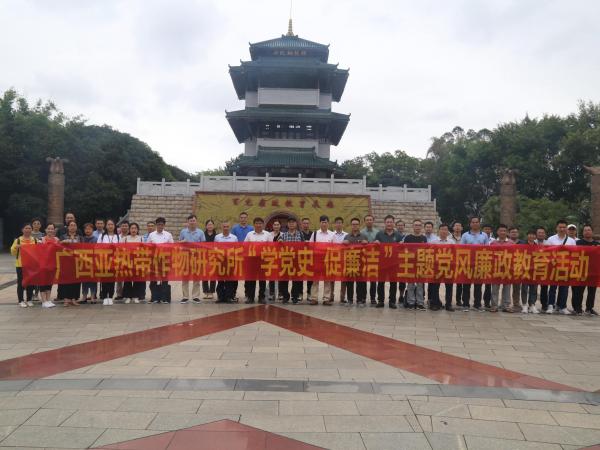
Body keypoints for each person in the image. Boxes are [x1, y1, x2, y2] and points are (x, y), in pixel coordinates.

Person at [545, 219, 576, 314]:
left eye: (564, 227)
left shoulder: (571, 241)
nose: (562, 229)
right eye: (560, 227)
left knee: (564, 288)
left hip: (566, 268)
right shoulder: (551, 239)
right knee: (552, 288)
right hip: (553, 267)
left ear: (566, 229)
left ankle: (562, 306)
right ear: (556, 228)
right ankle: (550, 305)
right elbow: (547, 253)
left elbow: (574, 254)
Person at [460, 217, 490, 311]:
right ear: (470, 224)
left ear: (479, 224)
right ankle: (465, 304)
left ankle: (477, 304)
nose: (475, 224)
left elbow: (488, 249)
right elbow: (461, 249)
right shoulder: (465, 235)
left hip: (480, 263)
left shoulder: (484, 235)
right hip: (467, 264)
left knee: (478, 285)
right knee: (466, 285)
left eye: (477, 222)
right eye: (473, 222)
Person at [374, 215, 402, 309]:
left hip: (394, 263)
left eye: (391, 222)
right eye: (387, 222)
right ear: (384, 223)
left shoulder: (398, 235)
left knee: (393, 283)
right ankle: (381, 301)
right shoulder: (379, 234)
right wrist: (376, 243)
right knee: (380, 282)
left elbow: (401, 249)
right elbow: (374, 247)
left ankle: (392, 301)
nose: (389, 224)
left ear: (393, 223)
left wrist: (401, 244)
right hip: (382, 262)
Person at [179, 214, 206, 304]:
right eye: (190, 221)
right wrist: (182, 242)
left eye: (194, 220)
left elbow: (204, 245)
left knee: (196, 277)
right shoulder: (183, 232)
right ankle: (185, 297)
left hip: (197, 257)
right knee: (185, 277)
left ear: (196, 222)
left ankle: (195, 296)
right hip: (185, 257)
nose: (192, 222)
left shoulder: (200, 232)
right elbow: (179, 243)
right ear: (188, 222)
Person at [572, 224, 598, 315]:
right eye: (585, 230)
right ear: (583, 232)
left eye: (589, 230)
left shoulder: (597, 244)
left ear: (592, 232)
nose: (587, 232)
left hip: (593, 271)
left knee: (592, 291)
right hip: (581, 270)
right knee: (579, 291)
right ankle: (577, 308)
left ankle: (589, 308)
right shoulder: (578, 243)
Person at [244, 217, 272, 304]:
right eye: (257, 223)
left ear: (263, 224)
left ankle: (262, 297)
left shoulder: (267, 234)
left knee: (262, 280)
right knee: (251, 280)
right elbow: (245, 246)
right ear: (254, 225)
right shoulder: (249, 234)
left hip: (263, 260)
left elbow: (271, 247)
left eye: (260, 223)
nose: (258, 225)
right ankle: (250, 297)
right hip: (251, 260)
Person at [309, 215, 335, 306]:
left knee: (327, 280)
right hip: (317, 260)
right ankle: (314, 298)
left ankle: (326, 298)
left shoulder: (332, 234)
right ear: (320, 223)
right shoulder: (315, 234)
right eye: (322, 222)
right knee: (315, 280)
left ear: (328, 223)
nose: (324, 224)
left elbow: (335, 247)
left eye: (325, 222)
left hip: (328, 260)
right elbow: (310, 246)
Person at [147, 217, 174, 304]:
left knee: (164, 279)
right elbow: (147, 247)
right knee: (153, 279)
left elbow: (172, 247)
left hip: (165, 260)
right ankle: (154, 297)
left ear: (164, 225)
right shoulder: (151, 235)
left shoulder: (168, 235)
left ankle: (164, 298)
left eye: (162, 225)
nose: (160, 226)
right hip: (154, 260)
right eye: (158, 224)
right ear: (156, 225)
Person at [11, 223, 38, 308]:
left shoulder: (35, 240)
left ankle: (29, 299)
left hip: (31, 265)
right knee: (21, 283)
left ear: (31, 230)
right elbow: (13, 252)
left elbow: (38, 252)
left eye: (29, 228)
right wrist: (16, 247)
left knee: (30, 282)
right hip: (21, 265)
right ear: (22, 230)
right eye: (26, 228)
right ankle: (21, 300)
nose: (28, 230)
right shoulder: (18, 240)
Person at [343, 218, 369, 307]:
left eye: (356, 224)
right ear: (351, 225)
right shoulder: (347, 236)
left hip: (361, 263)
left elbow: (369, 248)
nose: (355, 226)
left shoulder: (364, 236)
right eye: (353, 224)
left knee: (360, 283)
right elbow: (342, 249)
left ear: (359, 225)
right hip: (350, 262)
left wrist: (367, 243)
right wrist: (343, 243)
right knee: (349, 282)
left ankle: (359, 300)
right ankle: (350, 300)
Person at [430, 223, 455, 311]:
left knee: (449, 286)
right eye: (442, 229)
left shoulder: (451, 242)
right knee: (435, 286)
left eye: (446, 229)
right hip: (437, 267)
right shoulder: (433, 241)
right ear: (439, 231)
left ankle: (448, 304)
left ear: (448, 231)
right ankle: (435, 304)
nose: (444, 231)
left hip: (448, 267)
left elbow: (454, 254)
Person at [404, 220, 428, 309]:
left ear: (421, 227)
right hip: (410, 264)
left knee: (420, 285)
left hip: (421, 264)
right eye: (415, 225)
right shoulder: (408, 238)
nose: (417, 227)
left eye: (419, 225)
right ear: (413, 226)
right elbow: (404, 250)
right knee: (410, 284)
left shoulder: (424, 238)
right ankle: (411, 302)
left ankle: (420, 303)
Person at [279, 218, 304, 304]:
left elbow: (304, 246)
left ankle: (295, 296)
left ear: (296, 224)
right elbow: (278, 246)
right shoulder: (283, 235)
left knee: (296, 280)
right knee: (284, 279)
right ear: (287, 224)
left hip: (297, 260)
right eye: (290, 223)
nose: (291, 224)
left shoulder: (300, 235)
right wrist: (279, 242)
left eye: (293, 222)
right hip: (286, 260)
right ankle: (285, 296)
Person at [58, 221, 82, 307]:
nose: (72, 227)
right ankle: (66, 299)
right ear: (68, 227)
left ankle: (74, 298)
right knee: (66, 280)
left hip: (77, 261)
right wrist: (62, 242)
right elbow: (58, 246)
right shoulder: (63, 236)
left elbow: (84, 247)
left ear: (76, 227)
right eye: (71, 225)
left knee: (76, 281)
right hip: (66, 261)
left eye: (74, 225)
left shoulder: (80, 237)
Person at [490, 224, 512, 313]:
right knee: (495, 289)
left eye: (504, 231)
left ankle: (506, 306)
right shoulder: (493, 243)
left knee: (507, 288)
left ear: (507, 232)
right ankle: (494, 306)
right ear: (497, 232)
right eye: (501, 231)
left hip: (508, 269)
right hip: (496, 268)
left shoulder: (511, 243)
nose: (502, 232)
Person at [215, 220, 238, 303]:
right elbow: (214, 248)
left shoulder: (234, 238)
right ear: (221, 227)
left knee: (230, 280)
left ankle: (229, 297)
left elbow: (236, 249)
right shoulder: (217, 237)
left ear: (230, 227)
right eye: (224, 226)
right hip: (220, 261)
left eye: (227, 226)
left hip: (230, 261)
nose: (225, 228)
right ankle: (220, 297)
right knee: (220, 280)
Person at [98, 219, 120, 305]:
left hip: (114, 261)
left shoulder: (118, 237)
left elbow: (121, 249)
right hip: (104, 261)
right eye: (108, 224)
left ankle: (110, 296)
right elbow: (97, 247)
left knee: (112, 280)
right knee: (104, 280)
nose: (110, 226)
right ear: (106, 226)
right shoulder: (102, 236)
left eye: (112, 224)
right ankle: (104, 297)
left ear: (114, 226)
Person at [122, 222, 145, 304]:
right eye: (132, 228)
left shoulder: (141, 238)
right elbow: (121, 249)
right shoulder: (125, 238)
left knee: (137, 280)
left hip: (138, 261)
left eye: (135, 228)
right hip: (127, 261)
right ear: (129, 229)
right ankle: (128, 296)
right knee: (127, 279)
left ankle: (136, 296)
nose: (133, 230)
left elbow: (144, 250)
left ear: (137, 230)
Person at [361, 214, 379, 306]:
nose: (369, 221)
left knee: (373, 280)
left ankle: (373, 298)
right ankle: (363, 298)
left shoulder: (378, 232)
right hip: (363, 258)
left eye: (370, 220)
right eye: (367, 220)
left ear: (373, 221)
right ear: (364, 221)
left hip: (374, 258)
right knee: (363, 279)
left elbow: (381, 244)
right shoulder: (361, 232)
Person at [521, 230, 540, 314]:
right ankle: (524, 305)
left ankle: (532, 304)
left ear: (535, 236)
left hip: (535, 271)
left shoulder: (538, 246)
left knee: (534, 289)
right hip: (525, 270)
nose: (531, 236)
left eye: (533, 235)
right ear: (527, 235)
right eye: (530, 234)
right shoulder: (522, 245)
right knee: (524, 288)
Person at [39, 223, 58, 308]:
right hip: (43, 264)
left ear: (54, 230)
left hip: (53, 264)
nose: (50, 230)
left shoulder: (57, 240)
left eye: (52, 229)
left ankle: (48, 299)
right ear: (45, 230)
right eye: (49, 228)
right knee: (43, 281)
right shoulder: (41, 239)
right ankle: (43, 301)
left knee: (50, 282)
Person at [508, 226, 525, 312]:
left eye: (516, 232)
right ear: (509, 233)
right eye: (512, 232)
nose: (514, 233)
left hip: (518, 267)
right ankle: (505, 303)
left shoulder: (523, 243)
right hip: (507, 267)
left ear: (518, 233)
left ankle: (516, 304)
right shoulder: (506, 242)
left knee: (517, 288)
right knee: (506, 287)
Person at [81, 223, 98, 303]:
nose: (87, 230)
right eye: (86, 229)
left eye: (89, 229)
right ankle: (84, 296)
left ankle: (92, 297)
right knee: (84, 280)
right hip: (83, 262)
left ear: (92, 230)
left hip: (93, 262)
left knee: (93, 280)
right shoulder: (82, 239)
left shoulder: (96, 239)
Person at [332, 217, 348, 303]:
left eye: (340, 223)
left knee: (344, 279)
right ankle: (331, 296)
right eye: (337, 222)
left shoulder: (347, 235)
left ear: (343, 224)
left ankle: (342, 297)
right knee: (331, 278)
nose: (338, 224)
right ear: (334, 224)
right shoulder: (331, 234)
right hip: (333, 259)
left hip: (344, 259)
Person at [450, 221, 464, 306]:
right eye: (456, 226)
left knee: (460, 282)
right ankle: (449, 300)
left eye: (459, 226)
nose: (457, 227)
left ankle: (459, 300)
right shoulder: (449, 238)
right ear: (453, 228)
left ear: (462, 228)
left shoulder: (465, 237)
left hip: (461, 262)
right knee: (449, 283)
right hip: (451, 262)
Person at [268, 220, 282, 301]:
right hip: (271, 258)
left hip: (280, 258)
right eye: (275, 225)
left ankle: (280, 293)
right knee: (271, 276)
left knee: (281, 276)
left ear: (280, 226)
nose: (276, 226)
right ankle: (271, 293)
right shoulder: (268, 235)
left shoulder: (283, 235)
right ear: (272, 226)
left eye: (278, 224)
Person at [202, 219, 217, 299]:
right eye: (208, 225)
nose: (210, 226)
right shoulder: (203, 235)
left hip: (214, 257)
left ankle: (211, 292)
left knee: (212, 274)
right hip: (204, 256)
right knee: (204, 274)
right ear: (206, 226)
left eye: (211, 224)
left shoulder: (216, 235)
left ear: (213, 226)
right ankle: (205, 292)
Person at [535, 226, 549, 311]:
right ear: (536, 234)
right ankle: (532, 304)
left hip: (545, 268)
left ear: (545, 234)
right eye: (539, 233)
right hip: (534, 268)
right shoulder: (532, 243)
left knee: (544, 288)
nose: (541, 234)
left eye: (542, 233)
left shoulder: (549, 243)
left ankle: (544, 305)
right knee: (533, 287)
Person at [300, 217, 313, 301]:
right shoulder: (299, 234)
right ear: (301, 224)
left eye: (307, 223)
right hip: (301, 257)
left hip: (310, 258)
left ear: (309, 224)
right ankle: (300, 294)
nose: (306, 225)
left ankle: (309, 293)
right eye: (304, 223)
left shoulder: (313, 234)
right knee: (300, 276)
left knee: (310, 277)